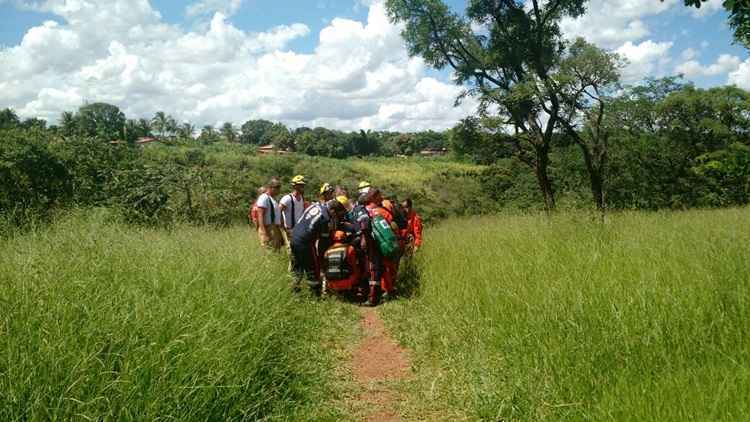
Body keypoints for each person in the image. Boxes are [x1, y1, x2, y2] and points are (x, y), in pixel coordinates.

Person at [290, 198, 347, 294]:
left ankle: (294, 291)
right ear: (332, 210)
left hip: (294, 237)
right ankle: (315, 295)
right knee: (313, 269)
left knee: (297, 266)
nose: (336, 217)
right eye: (336, 214)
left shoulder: (316, 205)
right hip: (305, 242)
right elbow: (322, 243)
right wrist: (322, 260)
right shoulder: (325, 218)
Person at [256, 178, 283, 251]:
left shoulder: (273, 199)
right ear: (270, 187)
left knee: (276, 249)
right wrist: (264, 232)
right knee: (269, 250)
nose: (279, 190)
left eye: (279, 187)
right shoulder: (264, 198)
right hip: (268, 228)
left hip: (275, 227)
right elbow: (260, 215)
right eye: (277, 187)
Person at [279, 175, 307, 244]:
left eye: (303, 185)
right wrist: (284, 228)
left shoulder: (302, 198)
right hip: (289, 230)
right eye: (300, 185)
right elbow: (278, 211)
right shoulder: (287, 198)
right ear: (295, 186)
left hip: (299, 230)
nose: (302, 187)